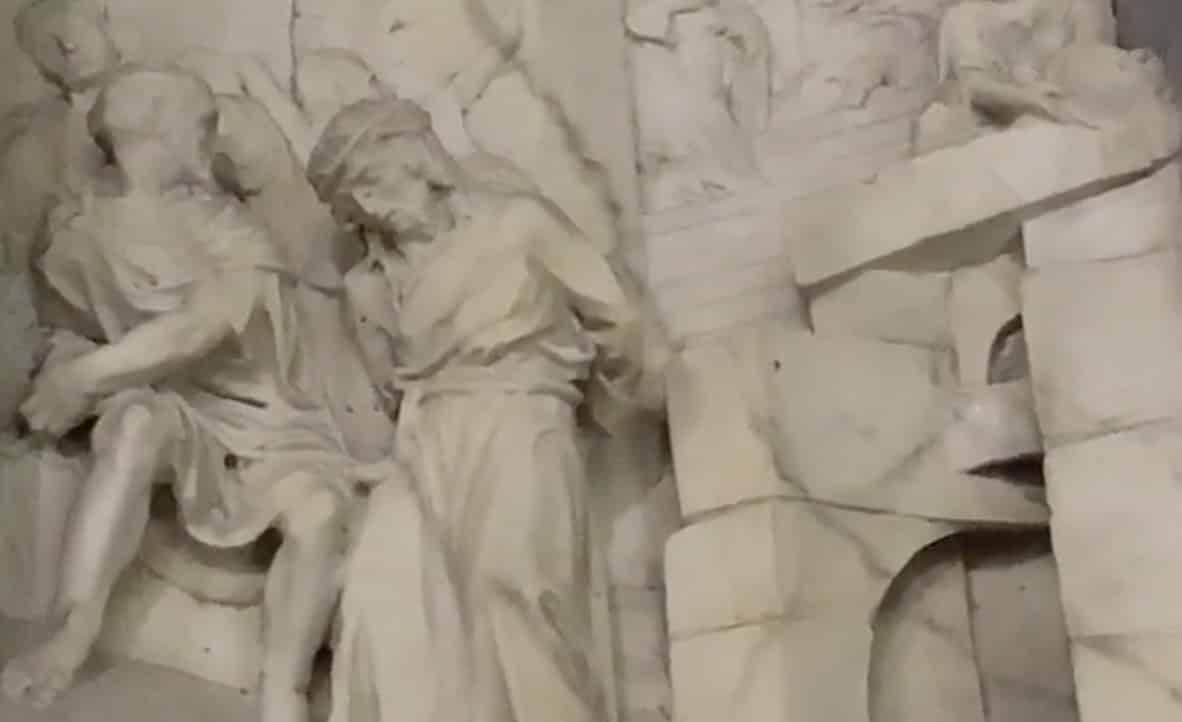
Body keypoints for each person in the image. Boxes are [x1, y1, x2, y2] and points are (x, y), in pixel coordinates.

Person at [1, 66, 365, 722]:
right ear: (153, 129)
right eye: (200, 124)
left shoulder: (228, 226)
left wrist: (83, 377)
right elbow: (65, 331)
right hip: (179, 413)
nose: (211, 138)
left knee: (317, 512)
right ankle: (71, 633)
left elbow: (202, 326)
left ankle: (281, 689)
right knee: (136, 422)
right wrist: (66, 372)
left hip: (271, 425)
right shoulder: (82, 232)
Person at [306, 98, 665, 722]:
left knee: (514, 583)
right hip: (426, 441)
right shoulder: (369, 287)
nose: (366, 205)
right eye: (352, 199)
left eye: (368, 180)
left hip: (521, 414)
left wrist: (607, 416)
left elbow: (622, 324)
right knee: (384, 596)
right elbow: (389, 387)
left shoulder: (519, 225)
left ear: (414, 154)